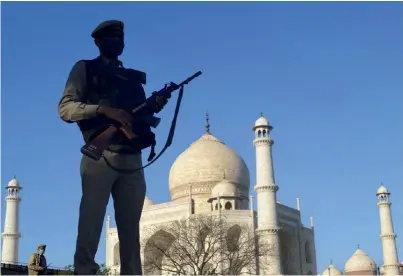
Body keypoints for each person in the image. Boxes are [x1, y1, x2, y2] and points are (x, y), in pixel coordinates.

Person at [58, 20, 168, 275]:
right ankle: (84, 271)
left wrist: (153, 107)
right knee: (91, 225)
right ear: (98, 42)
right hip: (101, 157)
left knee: (131, 233)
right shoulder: (86, 69)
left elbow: (138, 118)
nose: (116, 43)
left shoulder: (132, 78)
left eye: (120, 39)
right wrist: (103, 110)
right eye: (110, 38)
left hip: (132, 159)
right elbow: (65, 108)